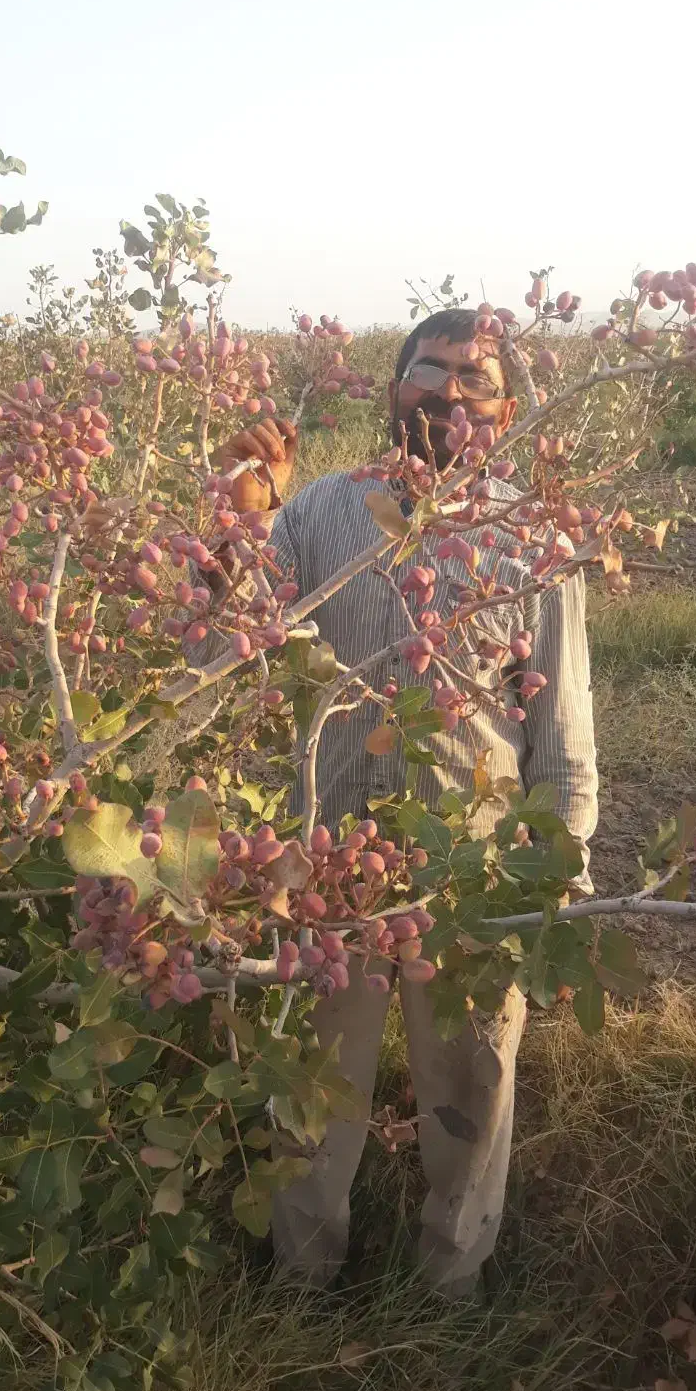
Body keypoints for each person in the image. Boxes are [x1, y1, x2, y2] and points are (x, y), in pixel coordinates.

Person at [218, 308, 598, 1296]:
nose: (445, 397)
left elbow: (559, 730)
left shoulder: (534, 537)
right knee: (311, 1086)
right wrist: (240, 519)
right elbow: (221, 659)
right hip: (329, 858)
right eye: (425, 374)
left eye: (472, 383)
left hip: (474, 869)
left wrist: (554, 883)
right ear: (392, 393)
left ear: (508, 406)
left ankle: (451, 1287)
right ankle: (298, 1284)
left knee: (472, 1086)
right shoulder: (318, 516)